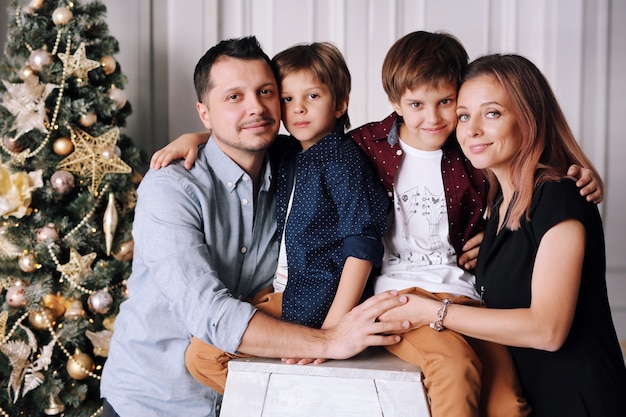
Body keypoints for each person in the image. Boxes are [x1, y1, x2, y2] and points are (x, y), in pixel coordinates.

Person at [153, 31, 603, 417]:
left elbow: (523, 157)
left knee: (502, 399)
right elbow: (265, 141)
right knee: (206, 354)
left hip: (456, 296)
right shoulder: (360, 146)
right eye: (416, 103)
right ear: (395, 103)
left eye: (449, 104)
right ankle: (316, 401)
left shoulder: (470, 150)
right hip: (380, 297)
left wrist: (575, 172)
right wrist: (201, 137)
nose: (435, 117)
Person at [99, 36, 407, 417]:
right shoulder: (170, 190)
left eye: (265, 92)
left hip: (249, 398)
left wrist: (475, 225)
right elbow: (210, 313)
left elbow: (362, 162)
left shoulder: (296, 163)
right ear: (205, 113)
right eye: (234, 97)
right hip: (156, 403)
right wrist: (328, 341)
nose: (256, 108)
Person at [379, 53, 626, 417]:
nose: (471, 129)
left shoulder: (559, 195)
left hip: (578, 403)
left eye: (492, 113)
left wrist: (432, 312)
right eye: (464, 115)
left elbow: (547, 330)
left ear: (529, 117)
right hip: (528, 401)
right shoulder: (496, 206)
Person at [183, 41, 390, 394]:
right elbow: (238, 135)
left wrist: (333, 329)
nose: (299, 110)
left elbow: (363, 243)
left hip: (317, 298)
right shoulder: (291, 151)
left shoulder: (342, 160)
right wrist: (195, 137)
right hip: (285, 288)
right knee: (206, 351)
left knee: (203, 356)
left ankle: (291, 401)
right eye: (288, 99)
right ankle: (289, 398)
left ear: (340, 103)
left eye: (312, 96)